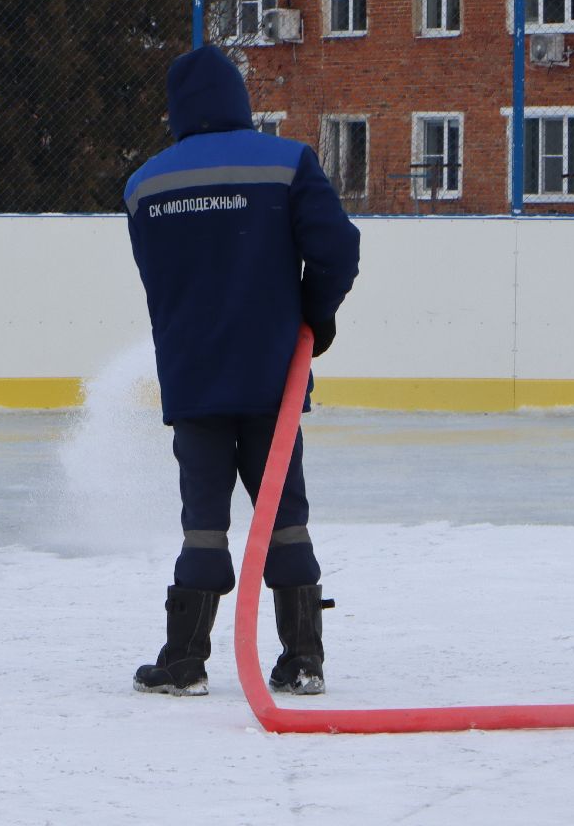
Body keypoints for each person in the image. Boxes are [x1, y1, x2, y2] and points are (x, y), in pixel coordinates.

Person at [121, 44, 360, 697]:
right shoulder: (287, 162)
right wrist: (314, 314)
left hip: (193, 378)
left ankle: (184, 660)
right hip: (271, 376)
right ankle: (303, 658)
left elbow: (160, 278)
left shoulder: (144, 185)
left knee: (203, 521)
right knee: (284, 514)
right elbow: (338, 246)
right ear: (239, 99)